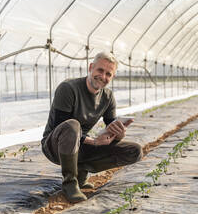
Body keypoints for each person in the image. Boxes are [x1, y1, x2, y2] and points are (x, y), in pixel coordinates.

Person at [41, 52, 143, 203]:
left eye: (108, 74)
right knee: (72, 125)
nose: (103, 76)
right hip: (54, 145)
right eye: (100, 70)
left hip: (81, 146)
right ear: (91, 67)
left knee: (134, 151)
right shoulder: (68, 88)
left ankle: (81, 170)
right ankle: (70, 183)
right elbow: (60, 125)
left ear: (112, 77)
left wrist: (119, 134)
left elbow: (110, 125)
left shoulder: (107, 97)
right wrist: (94, 142)